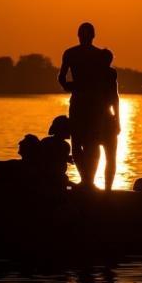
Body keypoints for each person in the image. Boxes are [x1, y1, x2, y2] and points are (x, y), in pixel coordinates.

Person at [57, 22, 107, 188]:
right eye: (82, 34)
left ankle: (89, 180)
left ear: (92, 36)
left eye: (87, 34)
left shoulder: (99, 55)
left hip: (93, 104)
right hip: (81, 101)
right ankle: (85, 179)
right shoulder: (71, 53)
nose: (84, 37)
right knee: (78, 141)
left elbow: (105, 82)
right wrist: (72, 87)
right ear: (79, 35)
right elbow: (61, 78)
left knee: (92, 142)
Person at [99, 49, 121, 192]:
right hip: (98, 117)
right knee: (108, 156)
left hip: (105, 117)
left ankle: (107, 188)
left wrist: (117, 119)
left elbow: (114, 97)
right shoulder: (106, 73)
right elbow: (114, 97)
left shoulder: (111, 73)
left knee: (110, 156)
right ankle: (104, 188)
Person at [38, 115, 73, 192]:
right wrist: (67, 158)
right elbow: (51, 158)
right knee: (71, 188)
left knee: (69, 187)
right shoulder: (65, 145)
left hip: (56, 178)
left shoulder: (46, 141)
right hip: (55, 178)